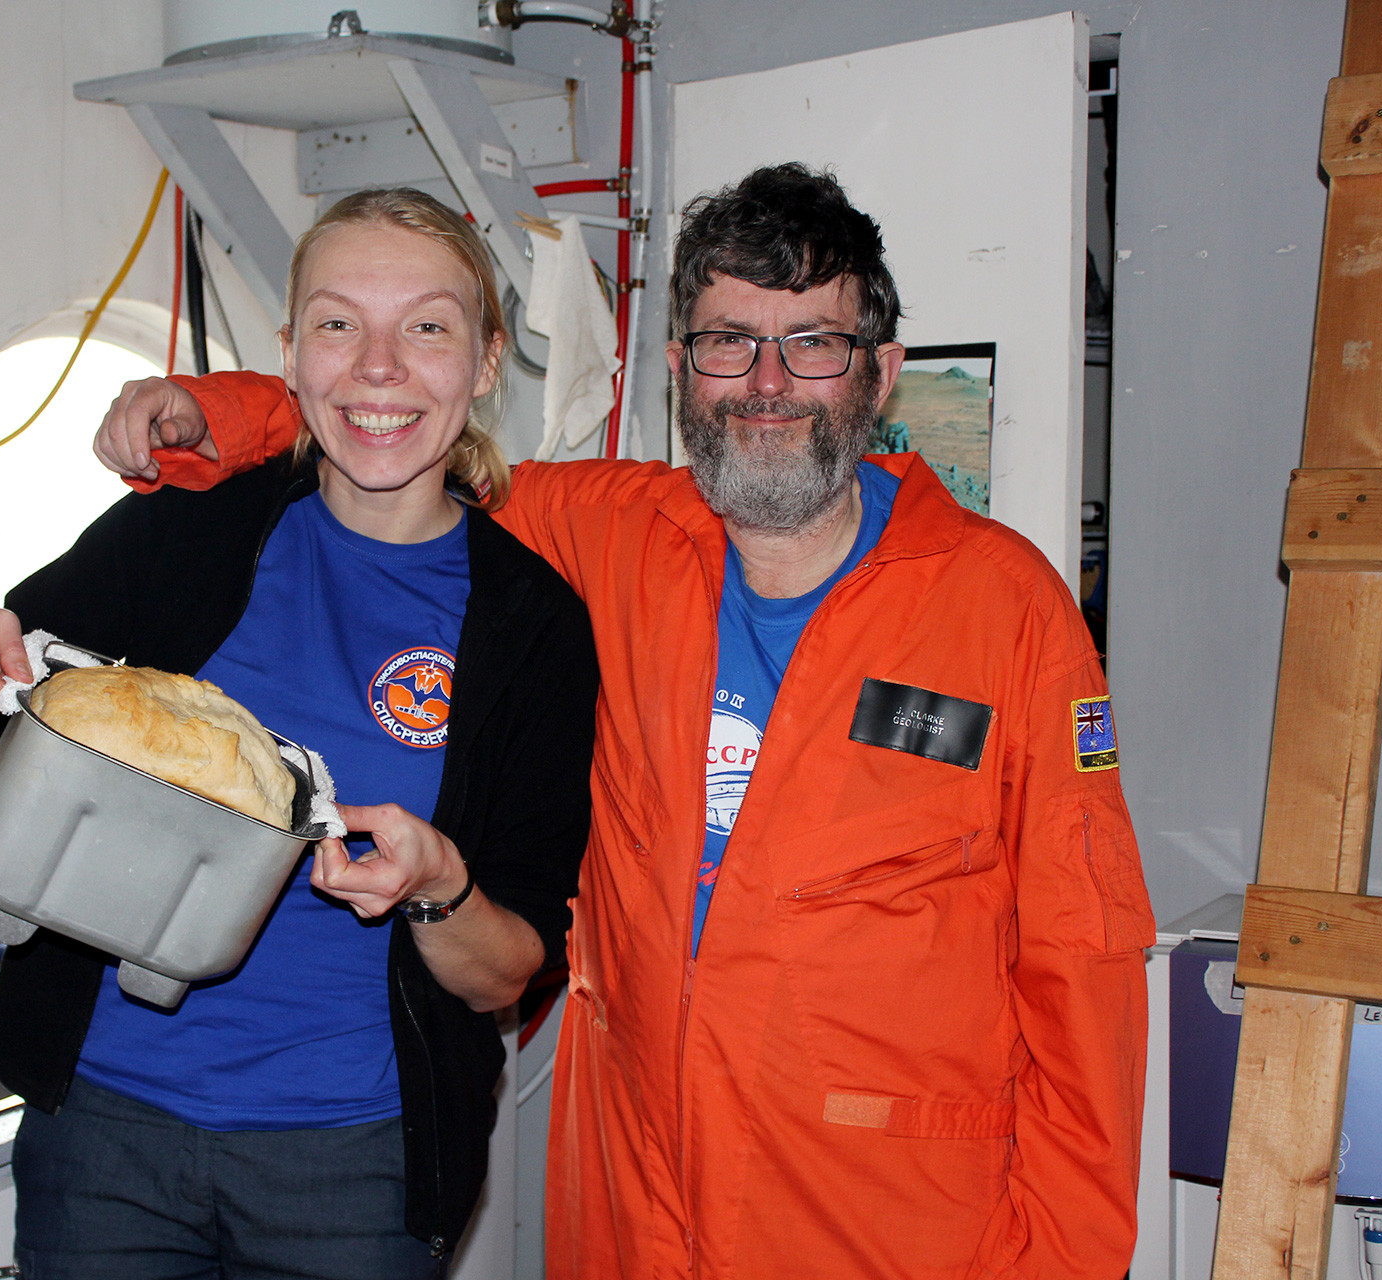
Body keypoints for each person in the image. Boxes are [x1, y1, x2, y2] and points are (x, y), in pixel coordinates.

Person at [93, 164, 1156, 1278]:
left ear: (881, 374)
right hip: (638, 1211)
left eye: (815, 343)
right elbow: (396, 429)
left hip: (893, 1227)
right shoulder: (609, 536)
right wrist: (222, 413)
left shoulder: (1007, 605)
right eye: (728, 341)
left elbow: (1082, 968)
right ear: (680, 372)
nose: (767, 382)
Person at [0, 188, 598, 1279]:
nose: (378, 366)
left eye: (429, 326)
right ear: (294, 352)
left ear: (487, 362)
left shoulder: (530, 623)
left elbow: (510, 968)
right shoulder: (187, 530)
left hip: (355, 1162)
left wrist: (436, 883)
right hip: (105, 1135)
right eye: (338, 322)